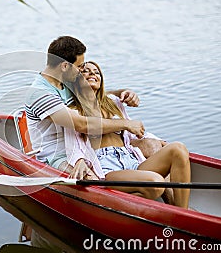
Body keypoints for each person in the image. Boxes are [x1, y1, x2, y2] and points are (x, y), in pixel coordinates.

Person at [66, 60, 190, 208]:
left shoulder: (113, 104)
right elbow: (72, 143)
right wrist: (80, 161)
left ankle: (182, 212)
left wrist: (158, 141)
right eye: (85, 71)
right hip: (106, 166)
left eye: (96, 72)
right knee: (155, 183)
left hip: (131, 159)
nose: (92, 73)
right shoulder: (72, 111)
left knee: (178, 149)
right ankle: (121, 205)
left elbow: (132, 132)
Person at [25, 36, 146, 181]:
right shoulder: (40, 94)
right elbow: (81, 124)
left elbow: (91, 93)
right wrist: (126, 124)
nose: (81, 71)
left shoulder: (64, 83)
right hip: (58, 156)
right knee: (92, 181)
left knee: (153, 146)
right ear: (64, 66)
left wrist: (121, 93)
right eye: (79, 66)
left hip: (83, 146)